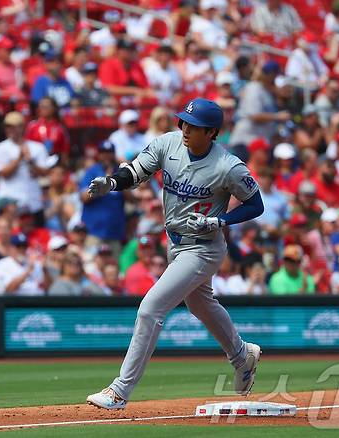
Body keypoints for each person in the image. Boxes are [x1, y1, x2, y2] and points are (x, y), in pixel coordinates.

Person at [85, 98, 264, 409]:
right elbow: (137, 170)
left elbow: (255, 203)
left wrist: (221, 220)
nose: (184, 128)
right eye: (183, 121)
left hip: (204, 247)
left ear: (211, 133)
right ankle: (242, 355)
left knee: (150, 309)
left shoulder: (228, 166)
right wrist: (113, 182)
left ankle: (119, 391)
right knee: (200, 304)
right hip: (175, 243)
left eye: (193, 126)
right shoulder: (168, 143)